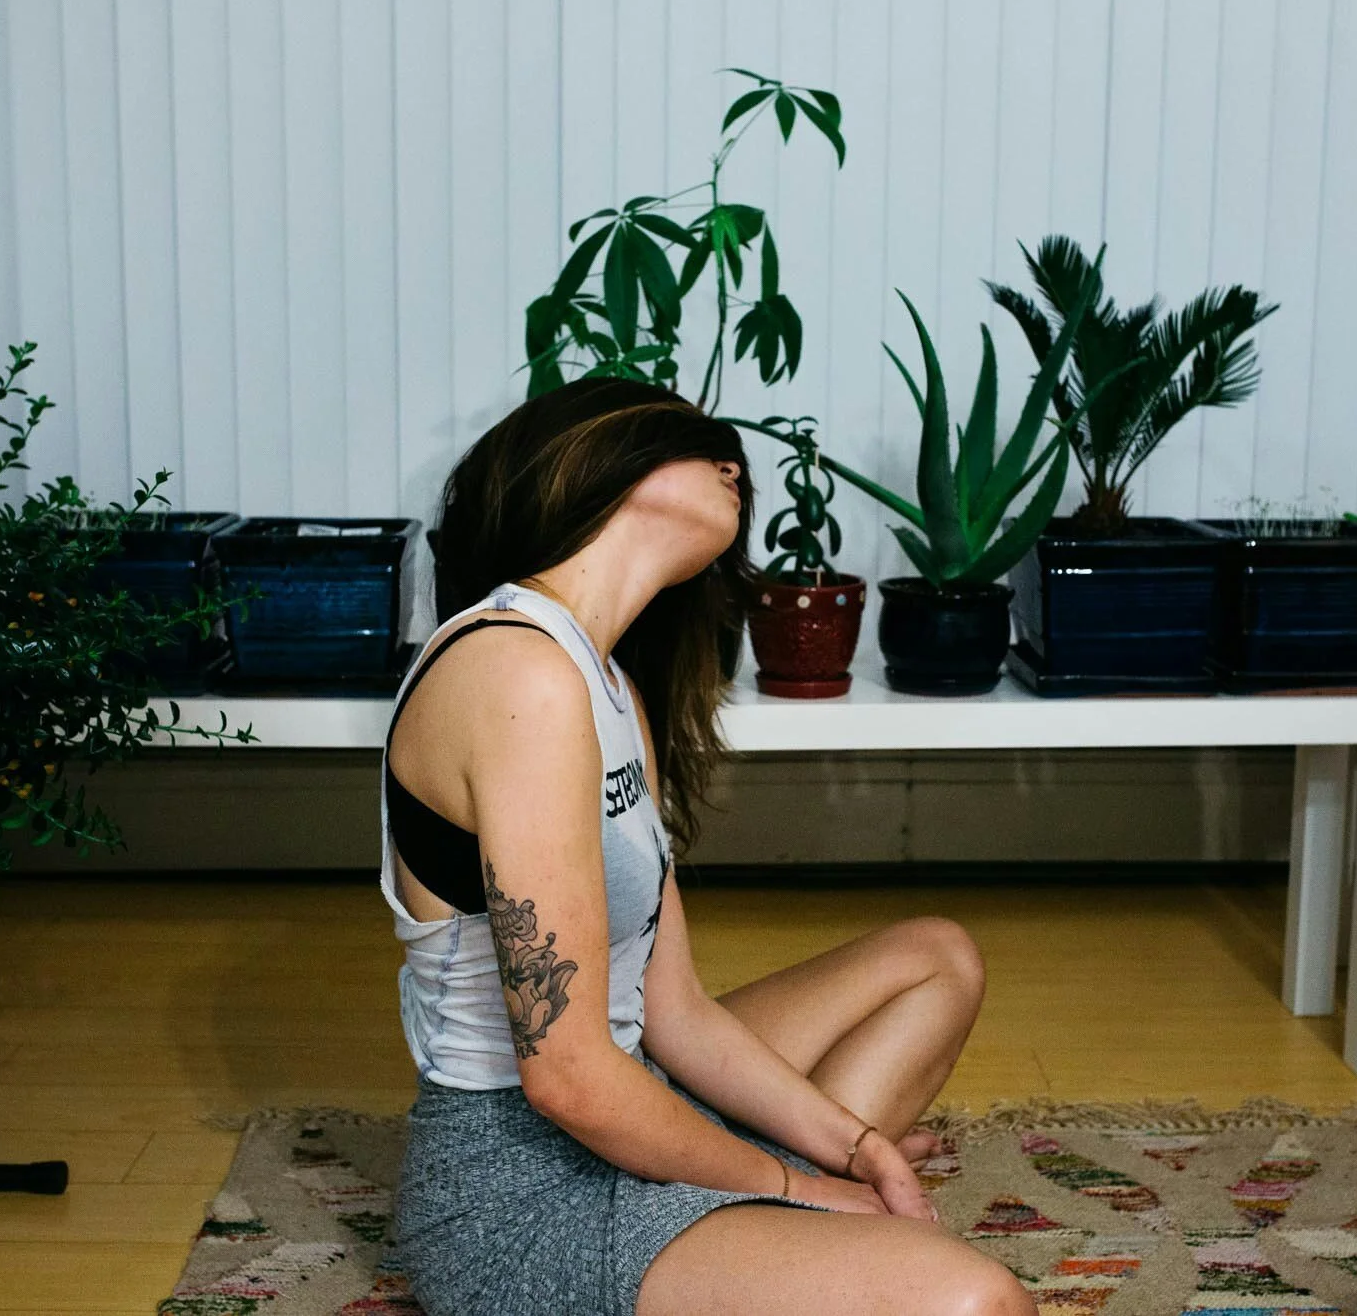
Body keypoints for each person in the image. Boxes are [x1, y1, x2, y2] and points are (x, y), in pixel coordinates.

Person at [380, 378, 1033, 1316]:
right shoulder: (514, 671)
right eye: (698, 442)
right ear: (593, 459)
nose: (735, 465)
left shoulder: (608, 687)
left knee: (936, 958)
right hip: (517, 1190)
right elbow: (567, 1078)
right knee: (972, 1303)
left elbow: (673, 1010)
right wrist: (795, 1184)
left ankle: (751, 1230)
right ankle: (753, 1227)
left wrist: (853, 1148)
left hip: (633, 1090)